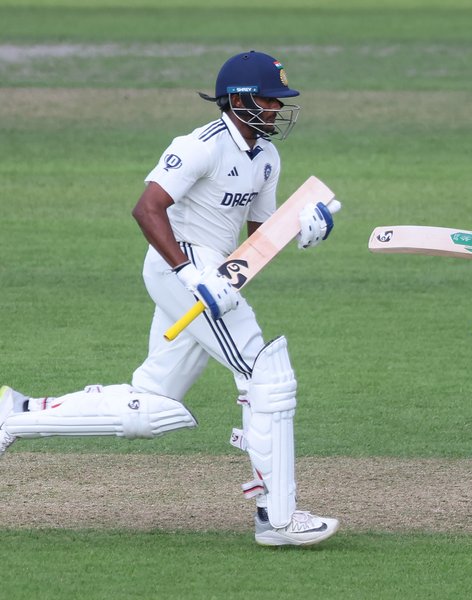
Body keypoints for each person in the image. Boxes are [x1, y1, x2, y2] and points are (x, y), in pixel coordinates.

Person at [0, 50, 340, 547]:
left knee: (154, 405)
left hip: (216, 273)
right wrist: (189, 273)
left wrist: (303, 227)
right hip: (179, 266)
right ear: (240, 99)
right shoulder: (199, 145)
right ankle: (278, 517)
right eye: (270, 99)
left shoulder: (266, 156)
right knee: (266, 373)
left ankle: (15, 413)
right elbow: (147, 208)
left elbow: (257, 238)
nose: (277, 109)